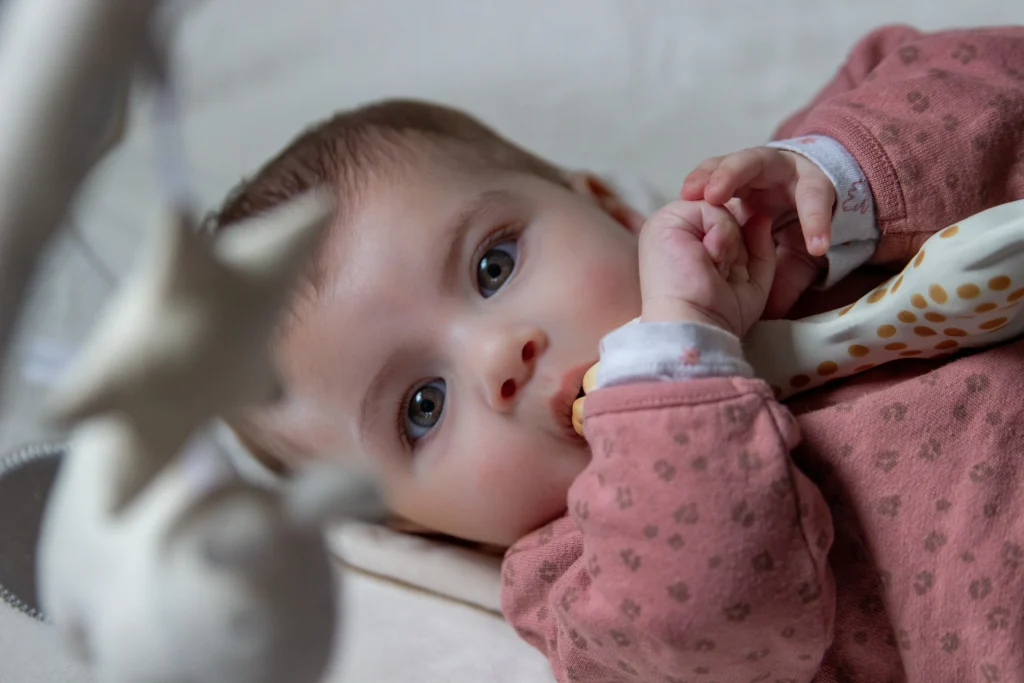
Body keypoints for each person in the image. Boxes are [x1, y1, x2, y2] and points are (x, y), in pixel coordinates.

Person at [207, 24, 1024, 683]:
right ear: (427, 526)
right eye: (422, 406)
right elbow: (720, 620)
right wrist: (675, 350)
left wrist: (840, 178)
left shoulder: (771, 210)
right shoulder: (583, 580)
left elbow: (987, 77)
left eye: (494, 265)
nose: (499, 355)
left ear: (601, 203)